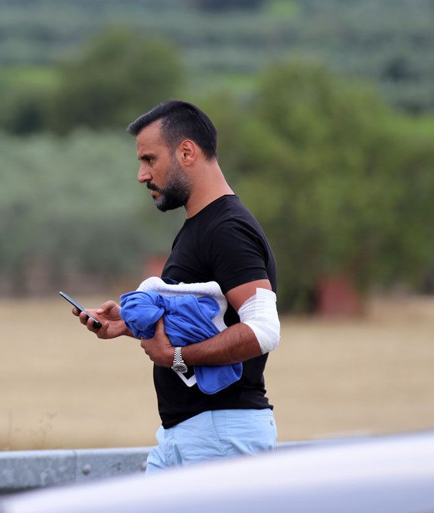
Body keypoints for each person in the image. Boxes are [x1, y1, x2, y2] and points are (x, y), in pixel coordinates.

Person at [72, 100, 280, 471]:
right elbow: (206, 322)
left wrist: (177, 358)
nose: (141, 174)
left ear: (186, 152)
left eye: (149, 159)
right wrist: (130, 325)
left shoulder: (227, 229)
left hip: (220, 436)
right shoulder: (198, 229)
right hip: (188, 436)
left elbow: (263, 330)